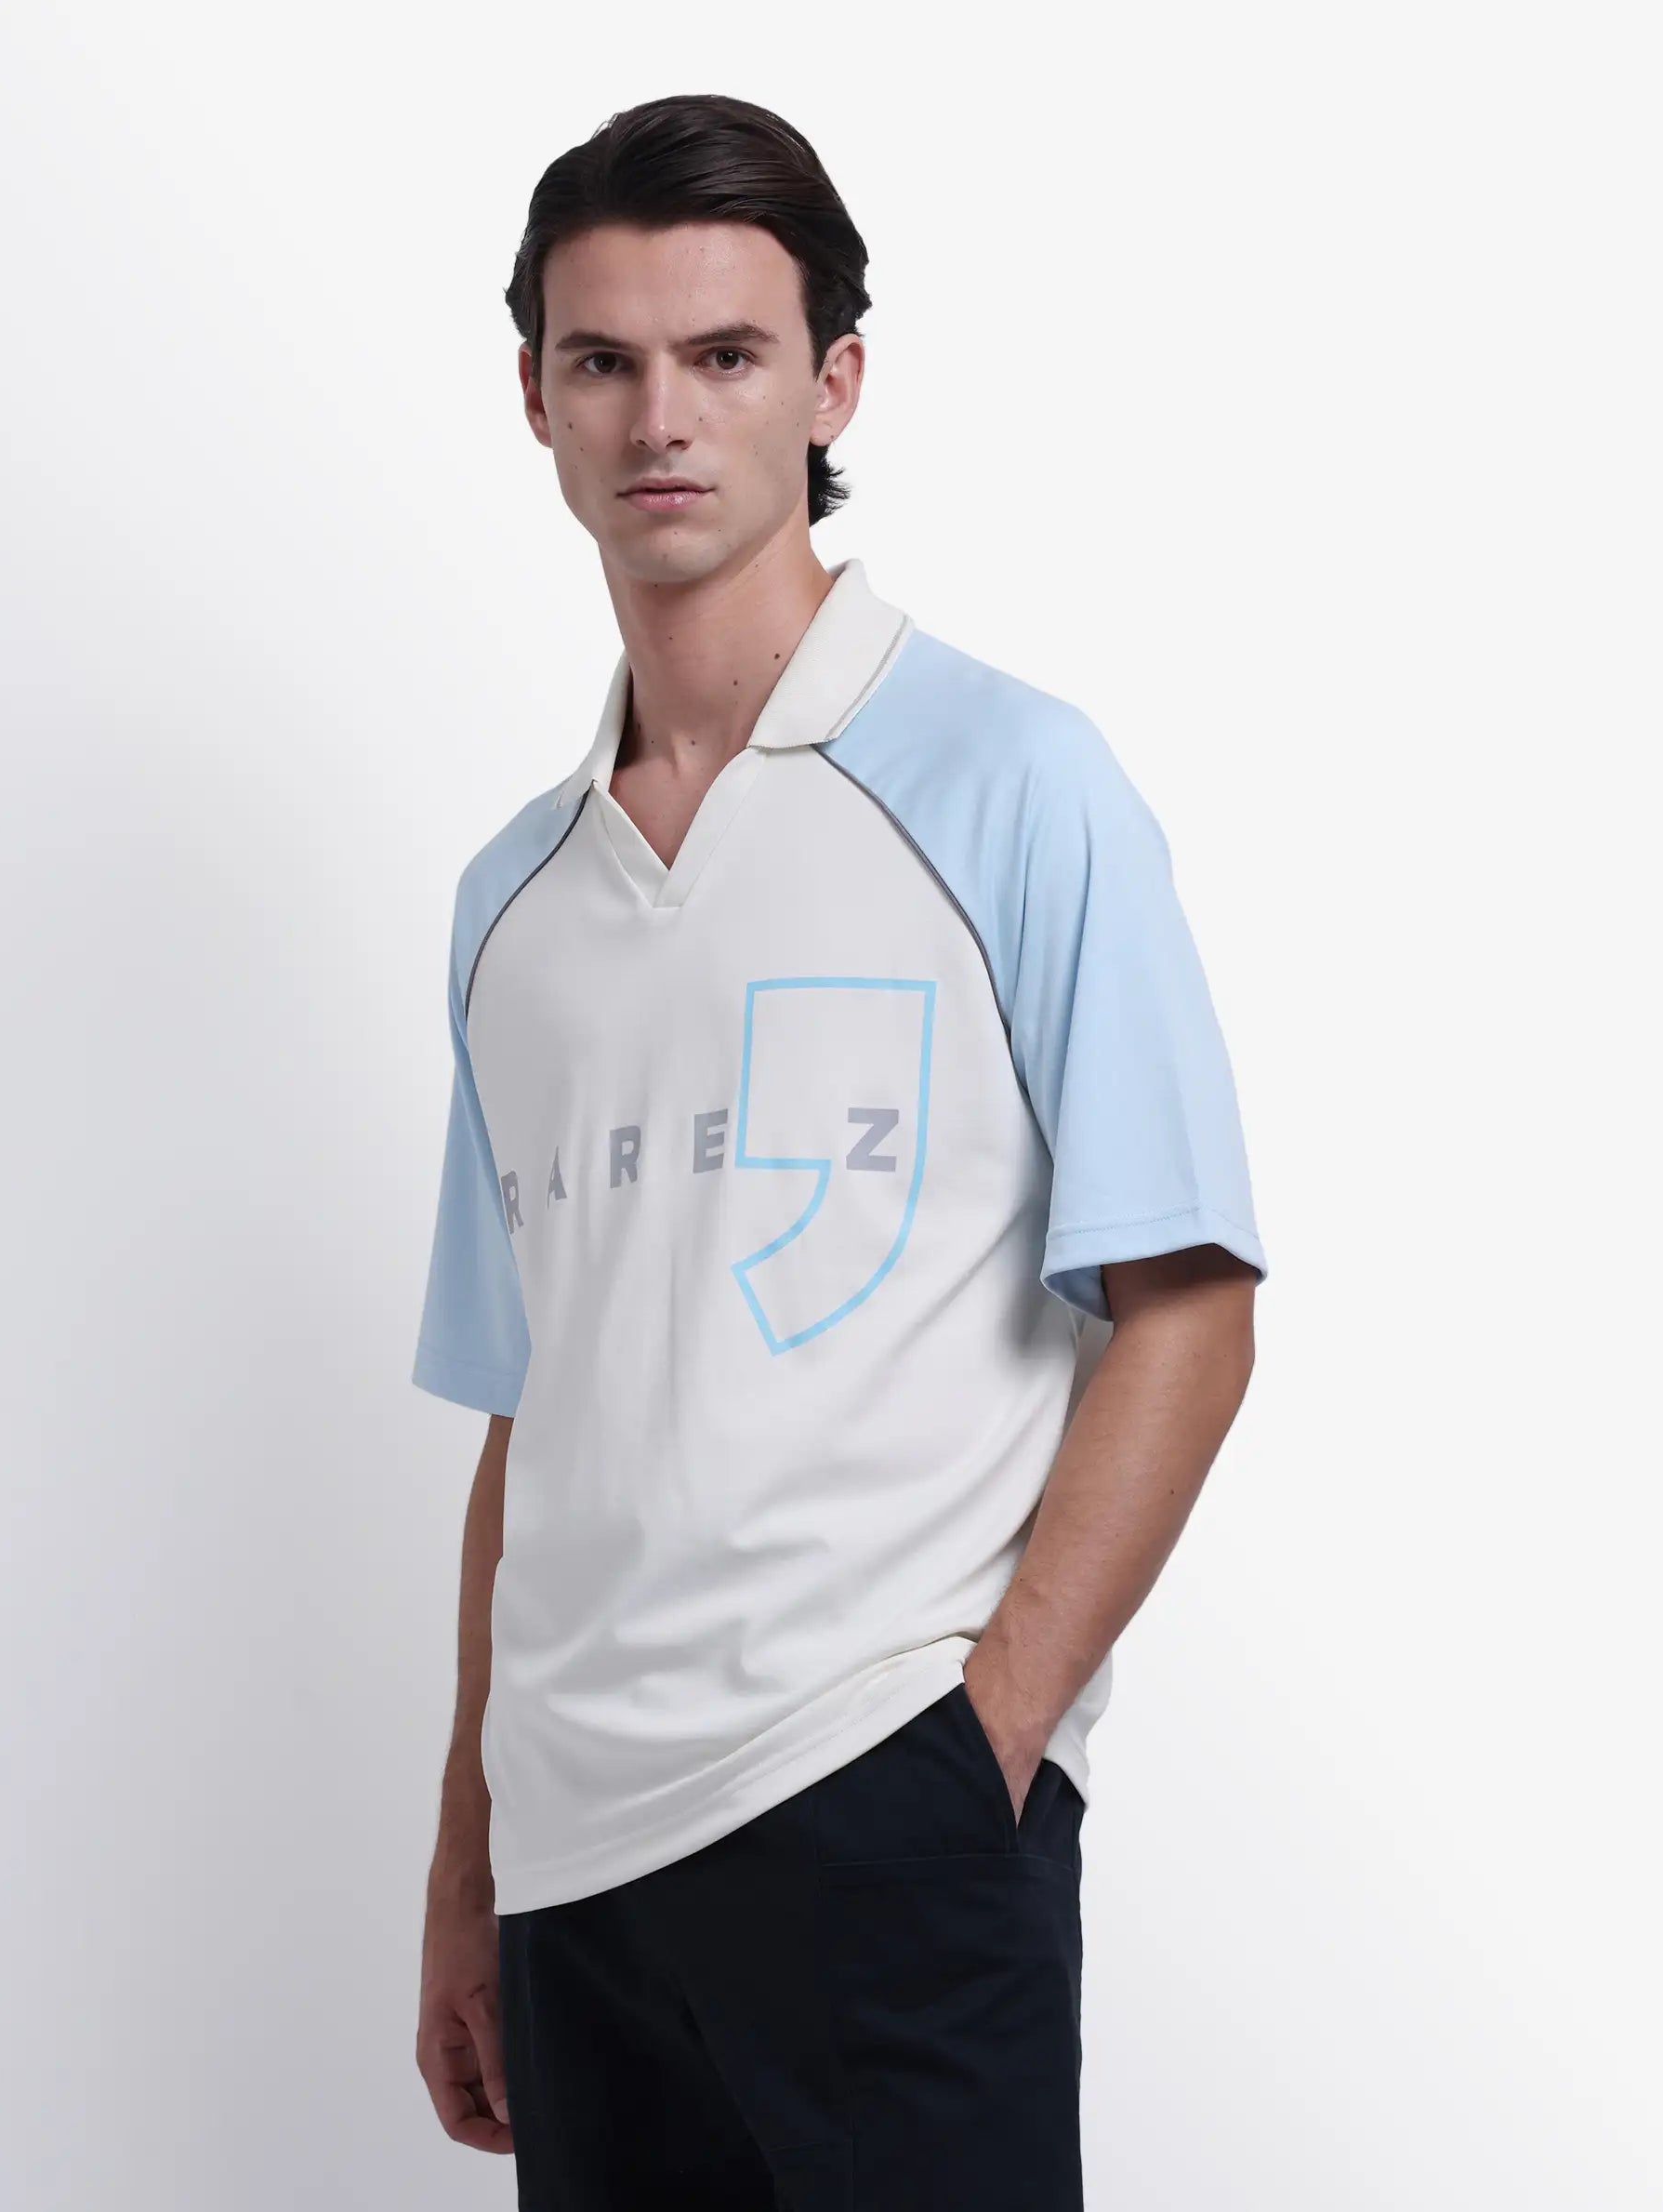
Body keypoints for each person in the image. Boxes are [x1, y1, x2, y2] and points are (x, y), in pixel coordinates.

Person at [411, 91, 1265, 2211]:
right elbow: (532, 1410)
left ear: (834, 382)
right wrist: (467, 1859)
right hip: (574, 1865)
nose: (660, 418)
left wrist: (986, 1738)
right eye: (603, 360)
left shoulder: (1013, 781)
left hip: (876, 1799)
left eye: (725, 354)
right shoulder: (512, 901)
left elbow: (1188, 1305)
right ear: (533, 395)